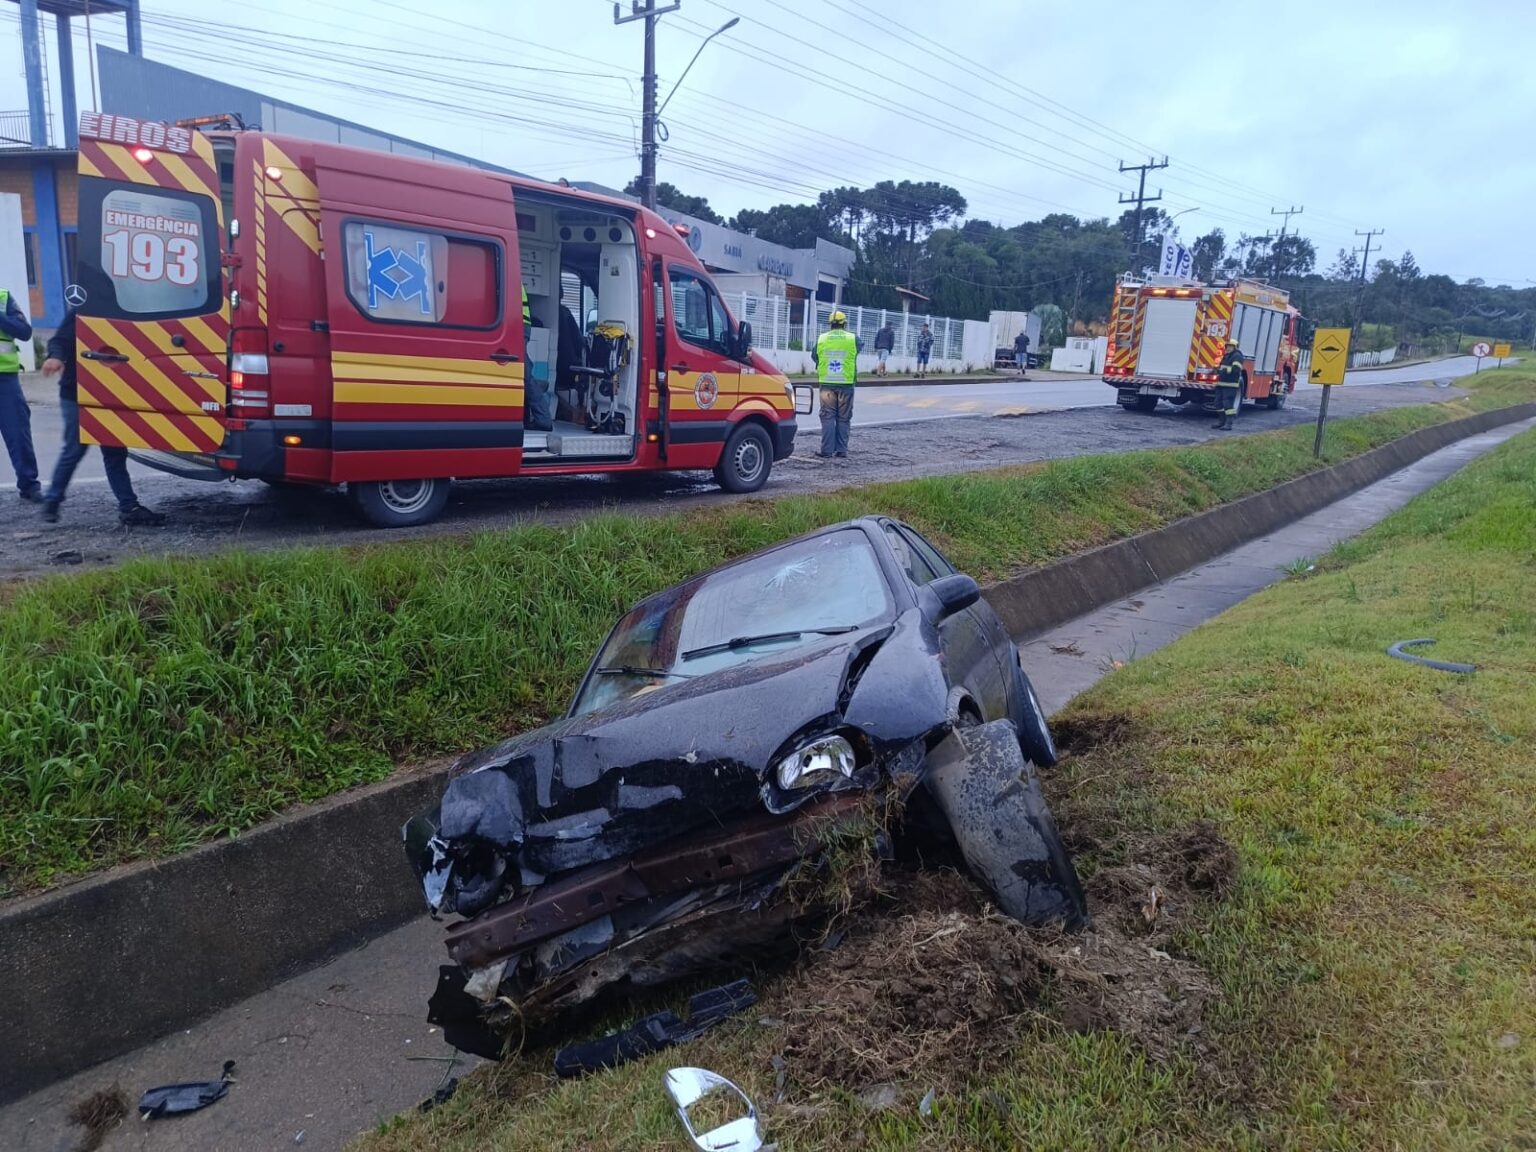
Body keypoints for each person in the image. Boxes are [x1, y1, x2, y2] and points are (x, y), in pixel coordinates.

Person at [40, 308, 165, 525]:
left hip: (111, 394)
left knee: (115, 452)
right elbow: (58, 341)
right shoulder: (83, 311)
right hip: (77, 393)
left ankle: (129, 507)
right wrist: (56, 357)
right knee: (75, 449)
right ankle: (52, 501)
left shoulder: (127, 312)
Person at [0, 286, 40, 502]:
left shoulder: (2, 297)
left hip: (4, 379)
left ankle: (29, 486)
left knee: (18, 433)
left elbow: (24, 332)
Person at [812, 310, 861, 458]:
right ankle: (841, 450)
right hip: (846, 383)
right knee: (844, 417)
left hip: (827, 382)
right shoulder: (853, 338)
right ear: (844, 324)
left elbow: (814, 356)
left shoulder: (822, 338)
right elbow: (858, 350)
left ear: (830, 324)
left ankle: (826, 451)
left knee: (828, 417)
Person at [1212, 338, 1247, 431]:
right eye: (1227, 346)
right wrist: (1216, 370)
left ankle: (1229, 424)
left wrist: (1222, 371)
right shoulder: (1226, 356)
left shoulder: (1237, 356)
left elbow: (1236, 370)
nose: (1228, 348)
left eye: (1230, 347)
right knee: (1217, 403)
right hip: (1221, 384)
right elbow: (1222, 367)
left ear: (1235, 348)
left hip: (1231, 385)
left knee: (1228, 404)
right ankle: (1221, 422)